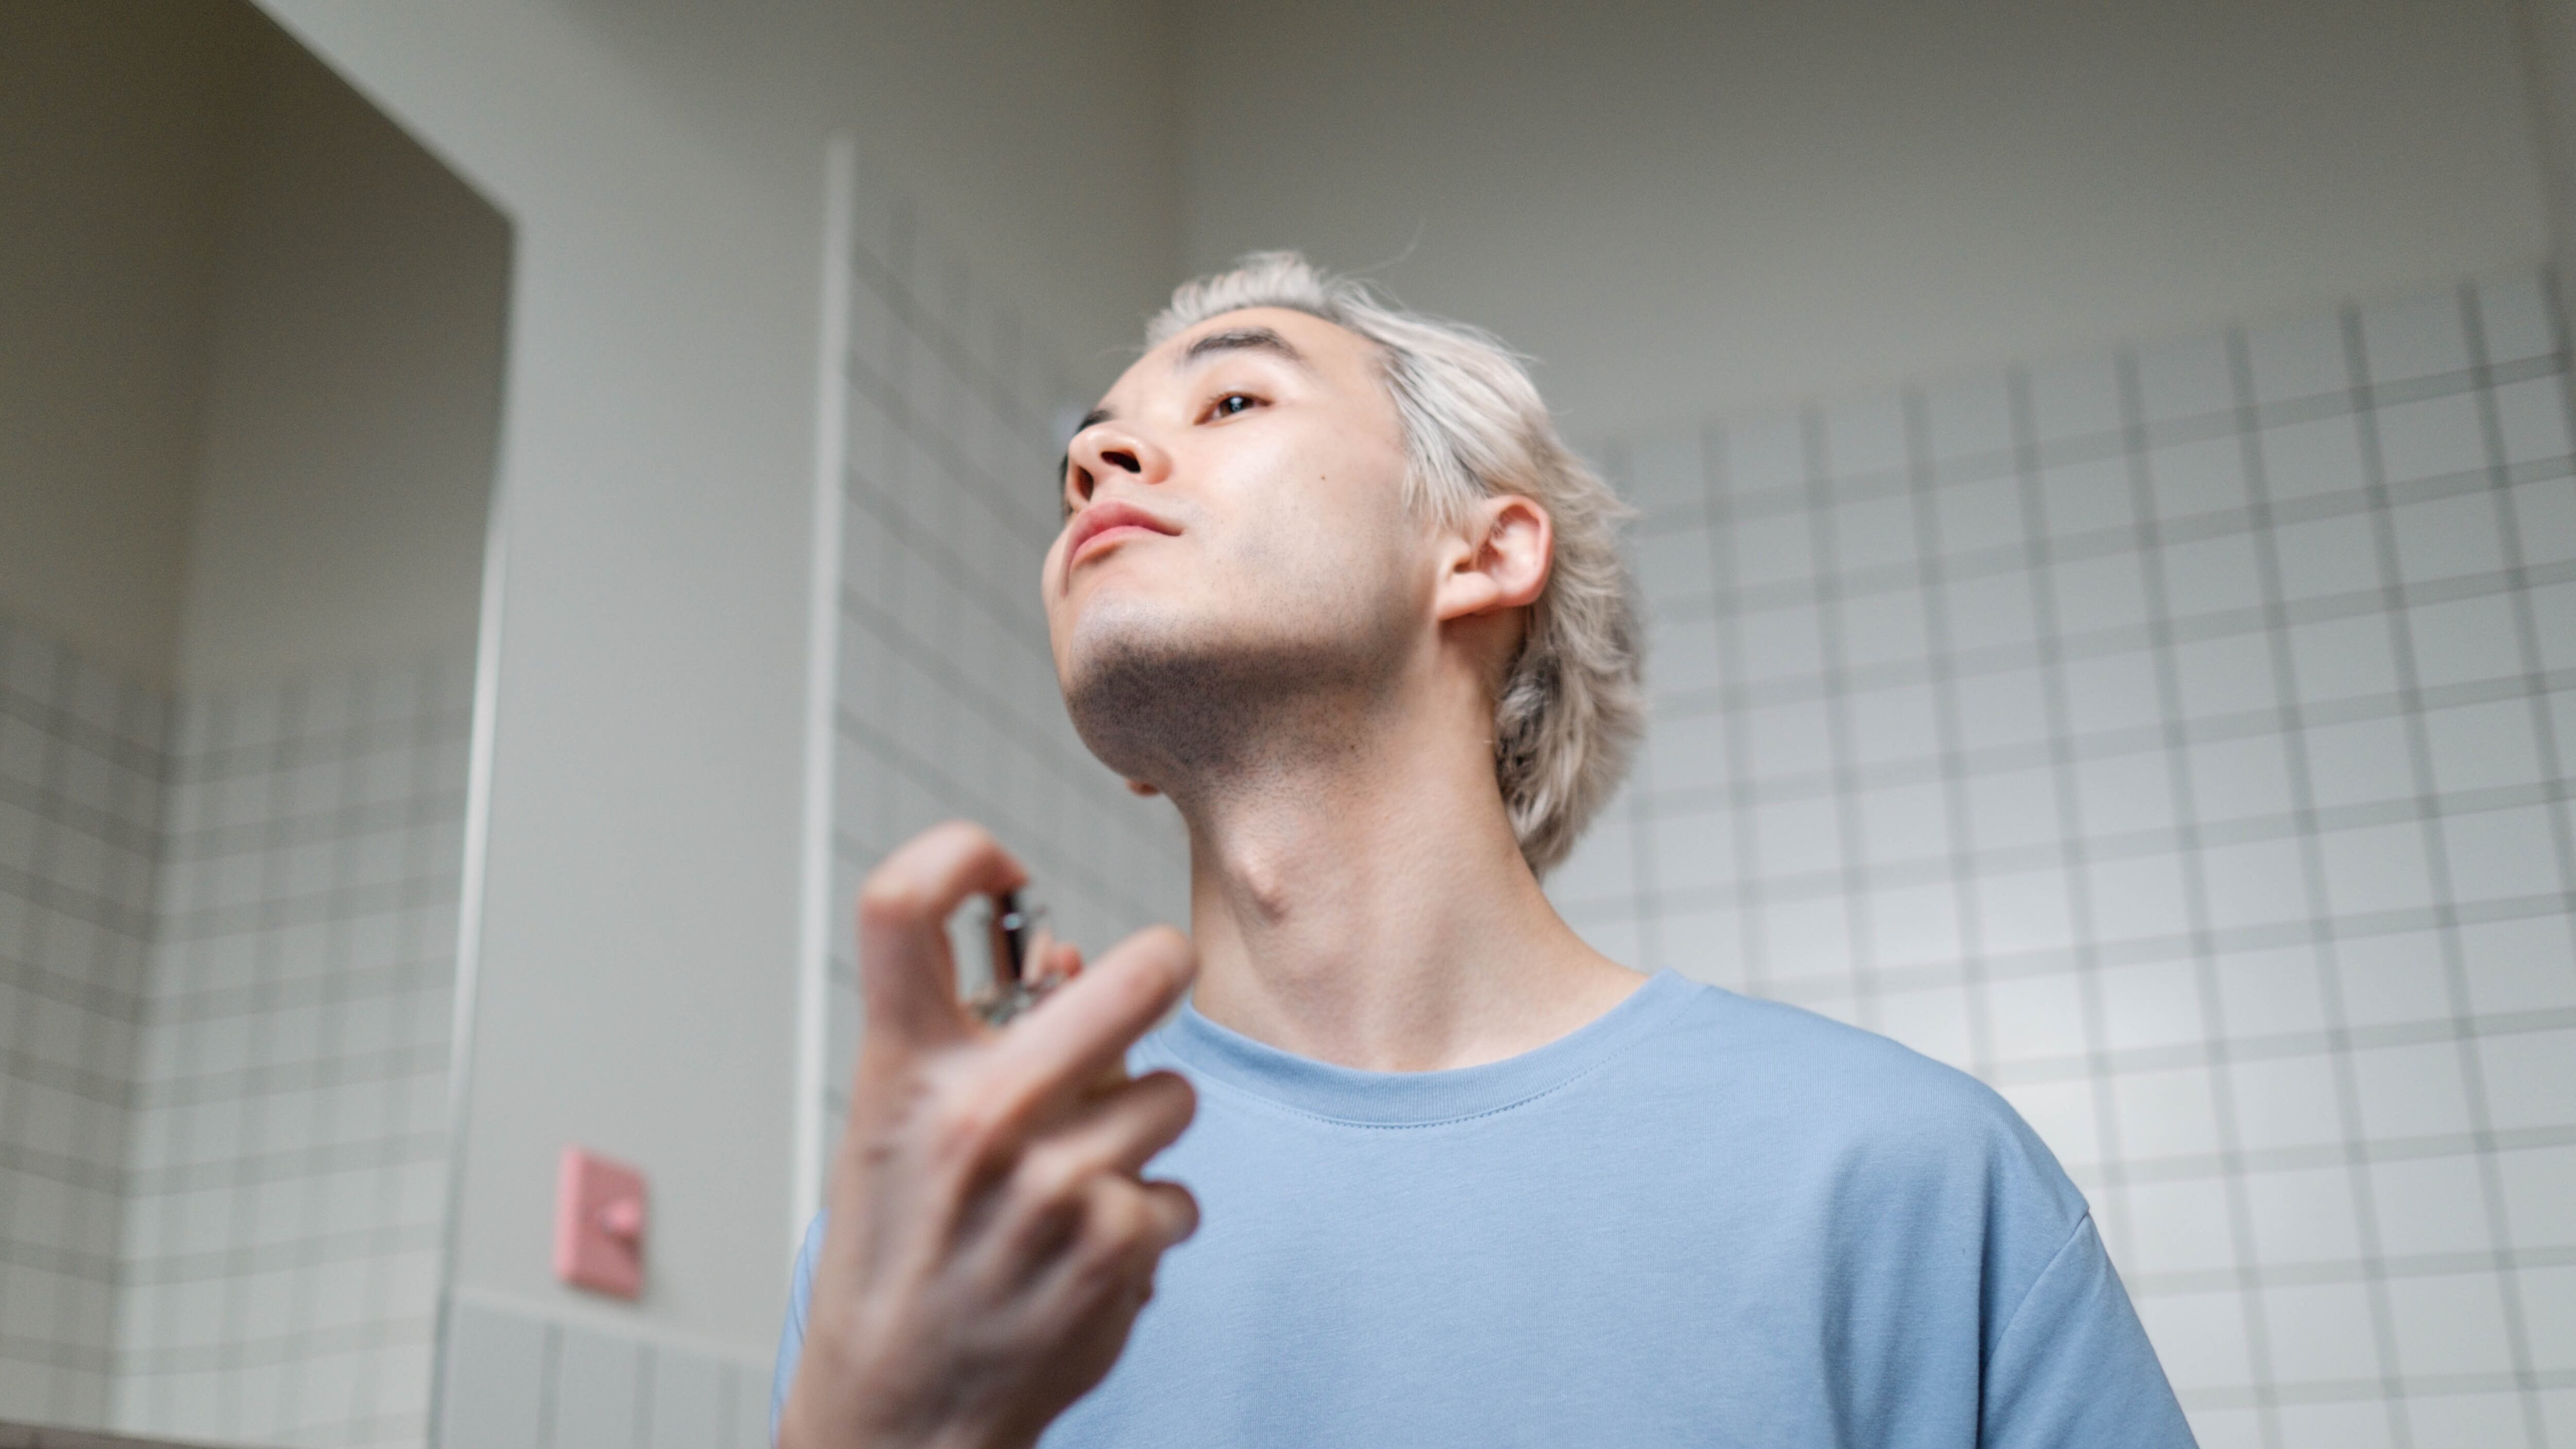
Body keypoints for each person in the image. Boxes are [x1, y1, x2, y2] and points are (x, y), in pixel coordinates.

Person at [771, 253, 2195, 1448]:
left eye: (1234, 399)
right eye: (1083, 453)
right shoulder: (980, 1214)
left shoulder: (1909, 1179)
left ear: (1485, 551)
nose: (1094, 461)